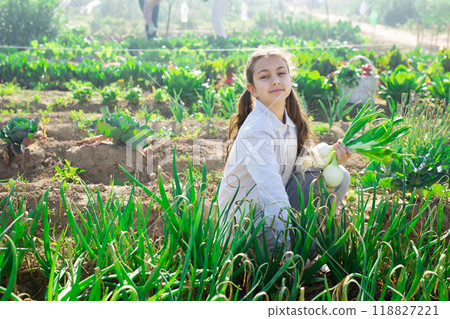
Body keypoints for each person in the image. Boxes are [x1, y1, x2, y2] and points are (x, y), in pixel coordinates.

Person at [217, 46, 351, 254]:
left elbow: (295, 169)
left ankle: (309, 249)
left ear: (290, 78)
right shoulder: (256, 131)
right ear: (252, 89)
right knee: (278, 234)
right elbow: (272, 193)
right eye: (265, 76)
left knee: (339, 177)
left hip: (268, 206)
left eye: (281, 73)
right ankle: (273, 254)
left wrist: (332, 159)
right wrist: (286, 255)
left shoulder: (288, 122)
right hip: (245, 222)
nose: (276, 80)